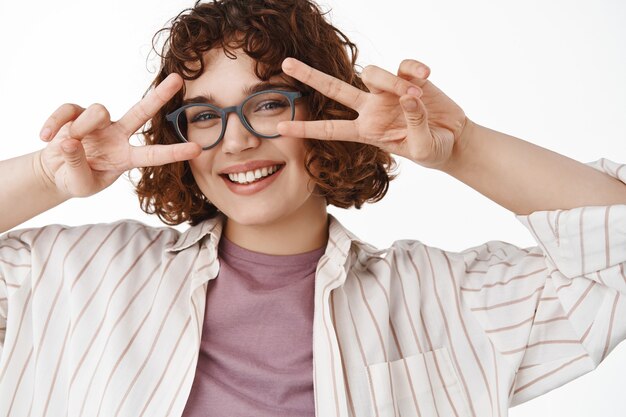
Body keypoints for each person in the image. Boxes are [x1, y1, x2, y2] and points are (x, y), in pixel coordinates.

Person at [0, 0, 625, 416]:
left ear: (328, 114)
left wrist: (462, 148)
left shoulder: (439, 298)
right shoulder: (79, 277)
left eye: (268, 103)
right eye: (205, 116)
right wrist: (45, 176)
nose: (238, 139)